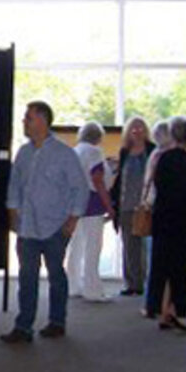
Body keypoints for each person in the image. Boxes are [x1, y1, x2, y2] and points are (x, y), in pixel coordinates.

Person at [0, 101, 89, 343]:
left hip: (55, 227)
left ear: (42, 121)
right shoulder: (24, 152)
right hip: (27, 226)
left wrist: (72, 219)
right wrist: (12, 213)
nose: (24, 122)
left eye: (28, 118)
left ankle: (57, 321)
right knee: (27, 277)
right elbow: (15, 185)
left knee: (56, 276)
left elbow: (80, 188)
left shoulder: (64, 154)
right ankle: (23, 326)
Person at [147, 117, 186, 332]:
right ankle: (175, 309)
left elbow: (158, 185)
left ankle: (162, 309)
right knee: (183, 266)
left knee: (163, 264)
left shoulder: (164, 159)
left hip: (165, 217)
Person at [66, 121, 115, 303]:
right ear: (98, 137)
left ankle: (73, 285)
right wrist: (109, 206)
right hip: (92, 203)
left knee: (75, 247)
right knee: (93, 247)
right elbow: (98, 180)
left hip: (74, 203)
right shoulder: (94, 152)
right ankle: (92, 289)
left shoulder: (74, 151)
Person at [111, 116, 155, 296]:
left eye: (140, 128)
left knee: (144, 246)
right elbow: (120, 179)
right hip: (126, 205)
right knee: (128, 245)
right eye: (133, 128)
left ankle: (143, 281)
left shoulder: (152, 150)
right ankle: (132, 283)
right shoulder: (125, 152)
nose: (137, 131)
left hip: (145, 206)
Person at [139, 120, 173, 318]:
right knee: (161, 261)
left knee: (156, 260)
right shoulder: (165, 156)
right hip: (162, 211)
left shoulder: (155, 155)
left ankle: (153, 304)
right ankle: (161, 304)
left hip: (154, 209)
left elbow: (148, 183)